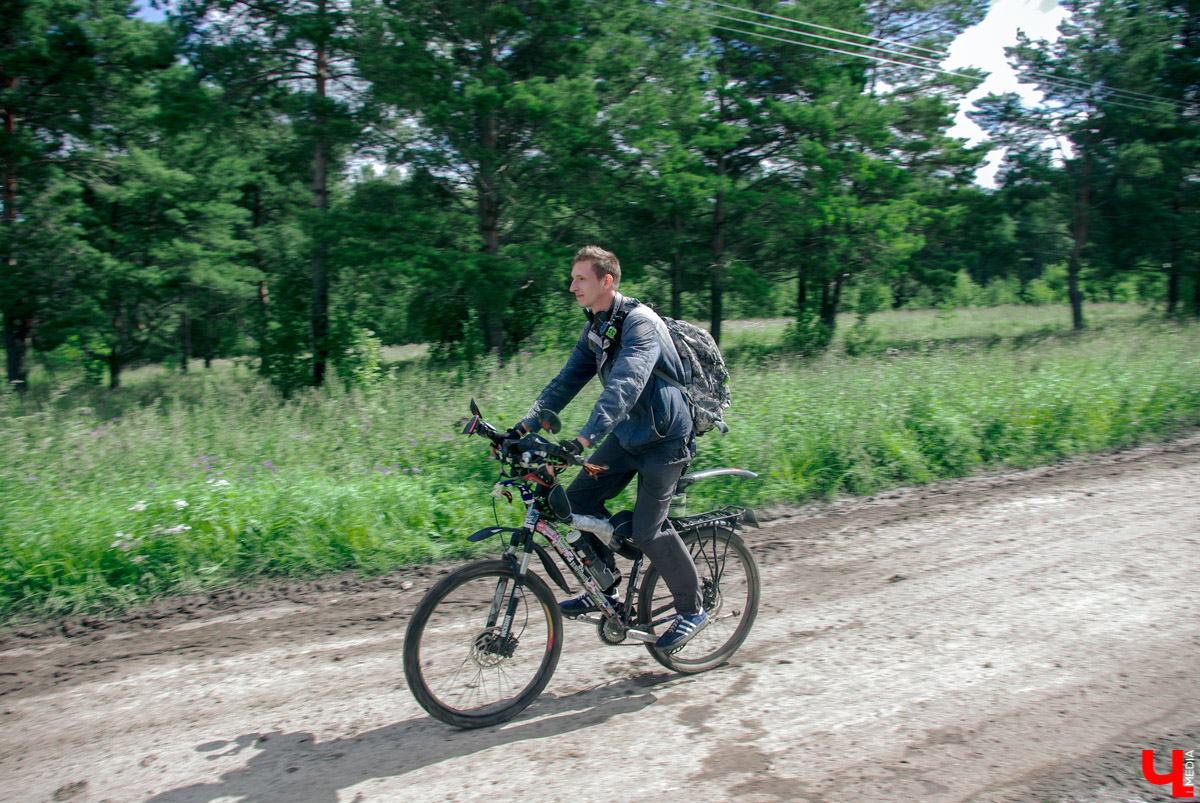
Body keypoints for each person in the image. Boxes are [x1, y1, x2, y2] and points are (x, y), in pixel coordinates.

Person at [512, 245, 707, 651]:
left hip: (665, 440)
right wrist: (522, 428)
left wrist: (584, 437)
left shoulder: (641, 324)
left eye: (580, 278)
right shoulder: (597, 330)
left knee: (647, 530)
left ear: (607, 281)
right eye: (572, 277)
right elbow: (565, 383)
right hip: (628, 436)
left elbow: (627, 384)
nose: (572, 286)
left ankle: (692, 610)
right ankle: (604, 588)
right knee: (572, 502)